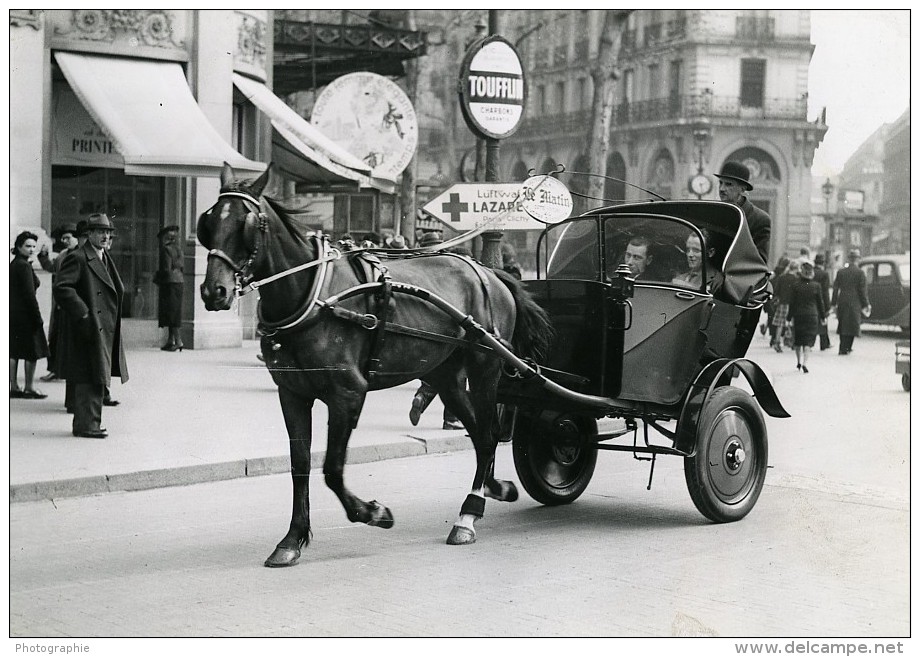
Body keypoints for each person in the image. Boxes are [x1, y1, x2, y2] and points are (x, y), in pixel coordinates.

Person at [53, 213, 129, 439]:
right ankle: (87, 425)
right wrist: (84, 314)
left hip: (101, 325)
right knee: (89, 375)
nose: (105, 236)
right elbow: (62, 288)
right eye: (100, 232)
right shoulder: (78, 257)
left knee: (96, 374)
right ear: (89, 234)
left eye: (108, 232)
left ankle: (90, 424)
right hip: (88, 327)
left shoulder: (102, 255)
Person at [37, 223, 80, 382]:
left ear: (77, 238)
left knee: (69, 340)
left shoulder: (81, 255)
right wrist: (43, 256)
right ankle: (54, 369)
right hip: (59, 303)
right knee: (55, 337)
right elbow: (52, 267)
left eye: (68, 237)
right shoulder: (62, 254)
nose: (65, 241)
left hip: (73, 303)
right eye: (63, 238)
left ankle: (68, 372)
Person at [10, 231, 50, 399]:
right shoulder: (24, 266)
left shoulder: (15, 263)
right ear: (19, 247)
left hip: (13, 314)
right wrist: (37, 317)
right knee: (31, 351)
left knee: (14, 350)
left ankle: (14, 386)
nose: (32, 249)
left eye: (34, 246)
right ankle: (29, 387)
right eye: (28, 246)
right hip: (26, 315)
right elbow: (29, 295)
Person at [715, 161, 771, 263]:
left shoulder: (760, 219)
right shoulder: (714, 213)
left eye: (728, 184)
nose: (722, 189)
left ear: (742, 189)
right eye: (720, 183)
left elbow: (759, 262)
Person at [787, 260, 826, 373]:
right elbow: (820, 303)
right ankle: (805, 363)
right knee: (808, 341)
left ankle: (798, 362)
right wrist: (823, 317)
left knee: (798, 340)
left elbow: (792, 303)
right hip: (812, 316)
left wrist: (789, 318)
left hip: (799, 316)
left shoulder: (795, 286)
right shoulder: (816, 286)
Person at [831, 248, 870, 356]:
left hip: (842, 300)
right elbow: (862, 291)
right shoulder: (860, 273)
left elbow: (835, 289)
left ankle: (842, 347)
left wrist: (833, 303)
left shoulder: (841, 272)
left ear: (849, 259)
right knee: (853, 325)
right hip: (855, 301)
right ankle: (847, 347)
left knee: (843, 324)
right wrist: (866, 304)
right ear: (857, 259)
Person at [155, 225, 185, 352]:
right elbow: (182, 266)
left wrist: (157, 278)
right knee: (175, 311)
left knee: (170, 312)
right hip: (179, 281)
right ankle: (171, 340)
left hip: (169, 283)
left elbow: (166, 269)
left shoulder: (166, 250)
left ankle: (178, 341)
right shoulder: (179, 249)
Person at [770, 259, 799, 353]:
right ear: (796, 269)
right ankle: (794, 343)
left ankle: (777, 342)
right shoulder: (796, 279)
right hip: (793, 304)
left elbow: (776, 291)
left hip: (782, 303)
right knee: (793, 323)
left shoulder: (782, 277)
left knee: (780, 324)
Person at [813, 253, 833, 351]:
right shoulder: (824, 274)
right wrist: (827, 306)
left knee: (812, 322)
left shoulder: (811, 272)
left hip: (811, 300)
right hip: (821, 300)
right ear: (823, 263)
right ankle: (824, 343)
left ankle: (810, 343)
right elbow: (825, 291)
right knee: (823, 322)